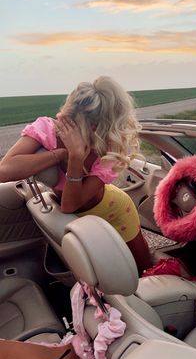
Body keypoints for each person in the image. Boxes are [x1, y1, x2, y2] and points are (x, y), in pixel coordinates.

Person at [0, 76, 152, 275]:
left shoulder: (110, 149)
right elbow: (4, 171)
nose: (65, 125)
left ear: (98, 126)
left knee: (144, 268)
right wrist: (61, 154)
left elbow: (70, 205)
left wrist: (75, 158)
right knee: (104, 270)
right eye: (68, 119)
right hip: (80, 215)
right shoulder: (47, 128)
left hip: (115, 211)